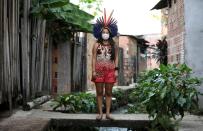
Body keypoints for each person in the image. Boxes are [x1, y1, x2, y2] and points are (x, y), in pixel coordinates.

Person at [91, 9, 119, 121]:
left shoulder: (114, 45)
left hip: (110, 71)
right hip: (98, 71)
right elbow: (93, 58)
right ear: (100, 32)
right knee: (99, 92)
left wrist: (116, 70)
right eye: (104, 32)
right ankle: (100, 113)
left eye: (107, 32)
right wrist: (93, 71)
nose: (105, 34)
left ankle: (108, 113)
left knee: (108, 92)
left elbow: (116, 58)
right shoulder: (96, 44)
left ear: (110, 33)